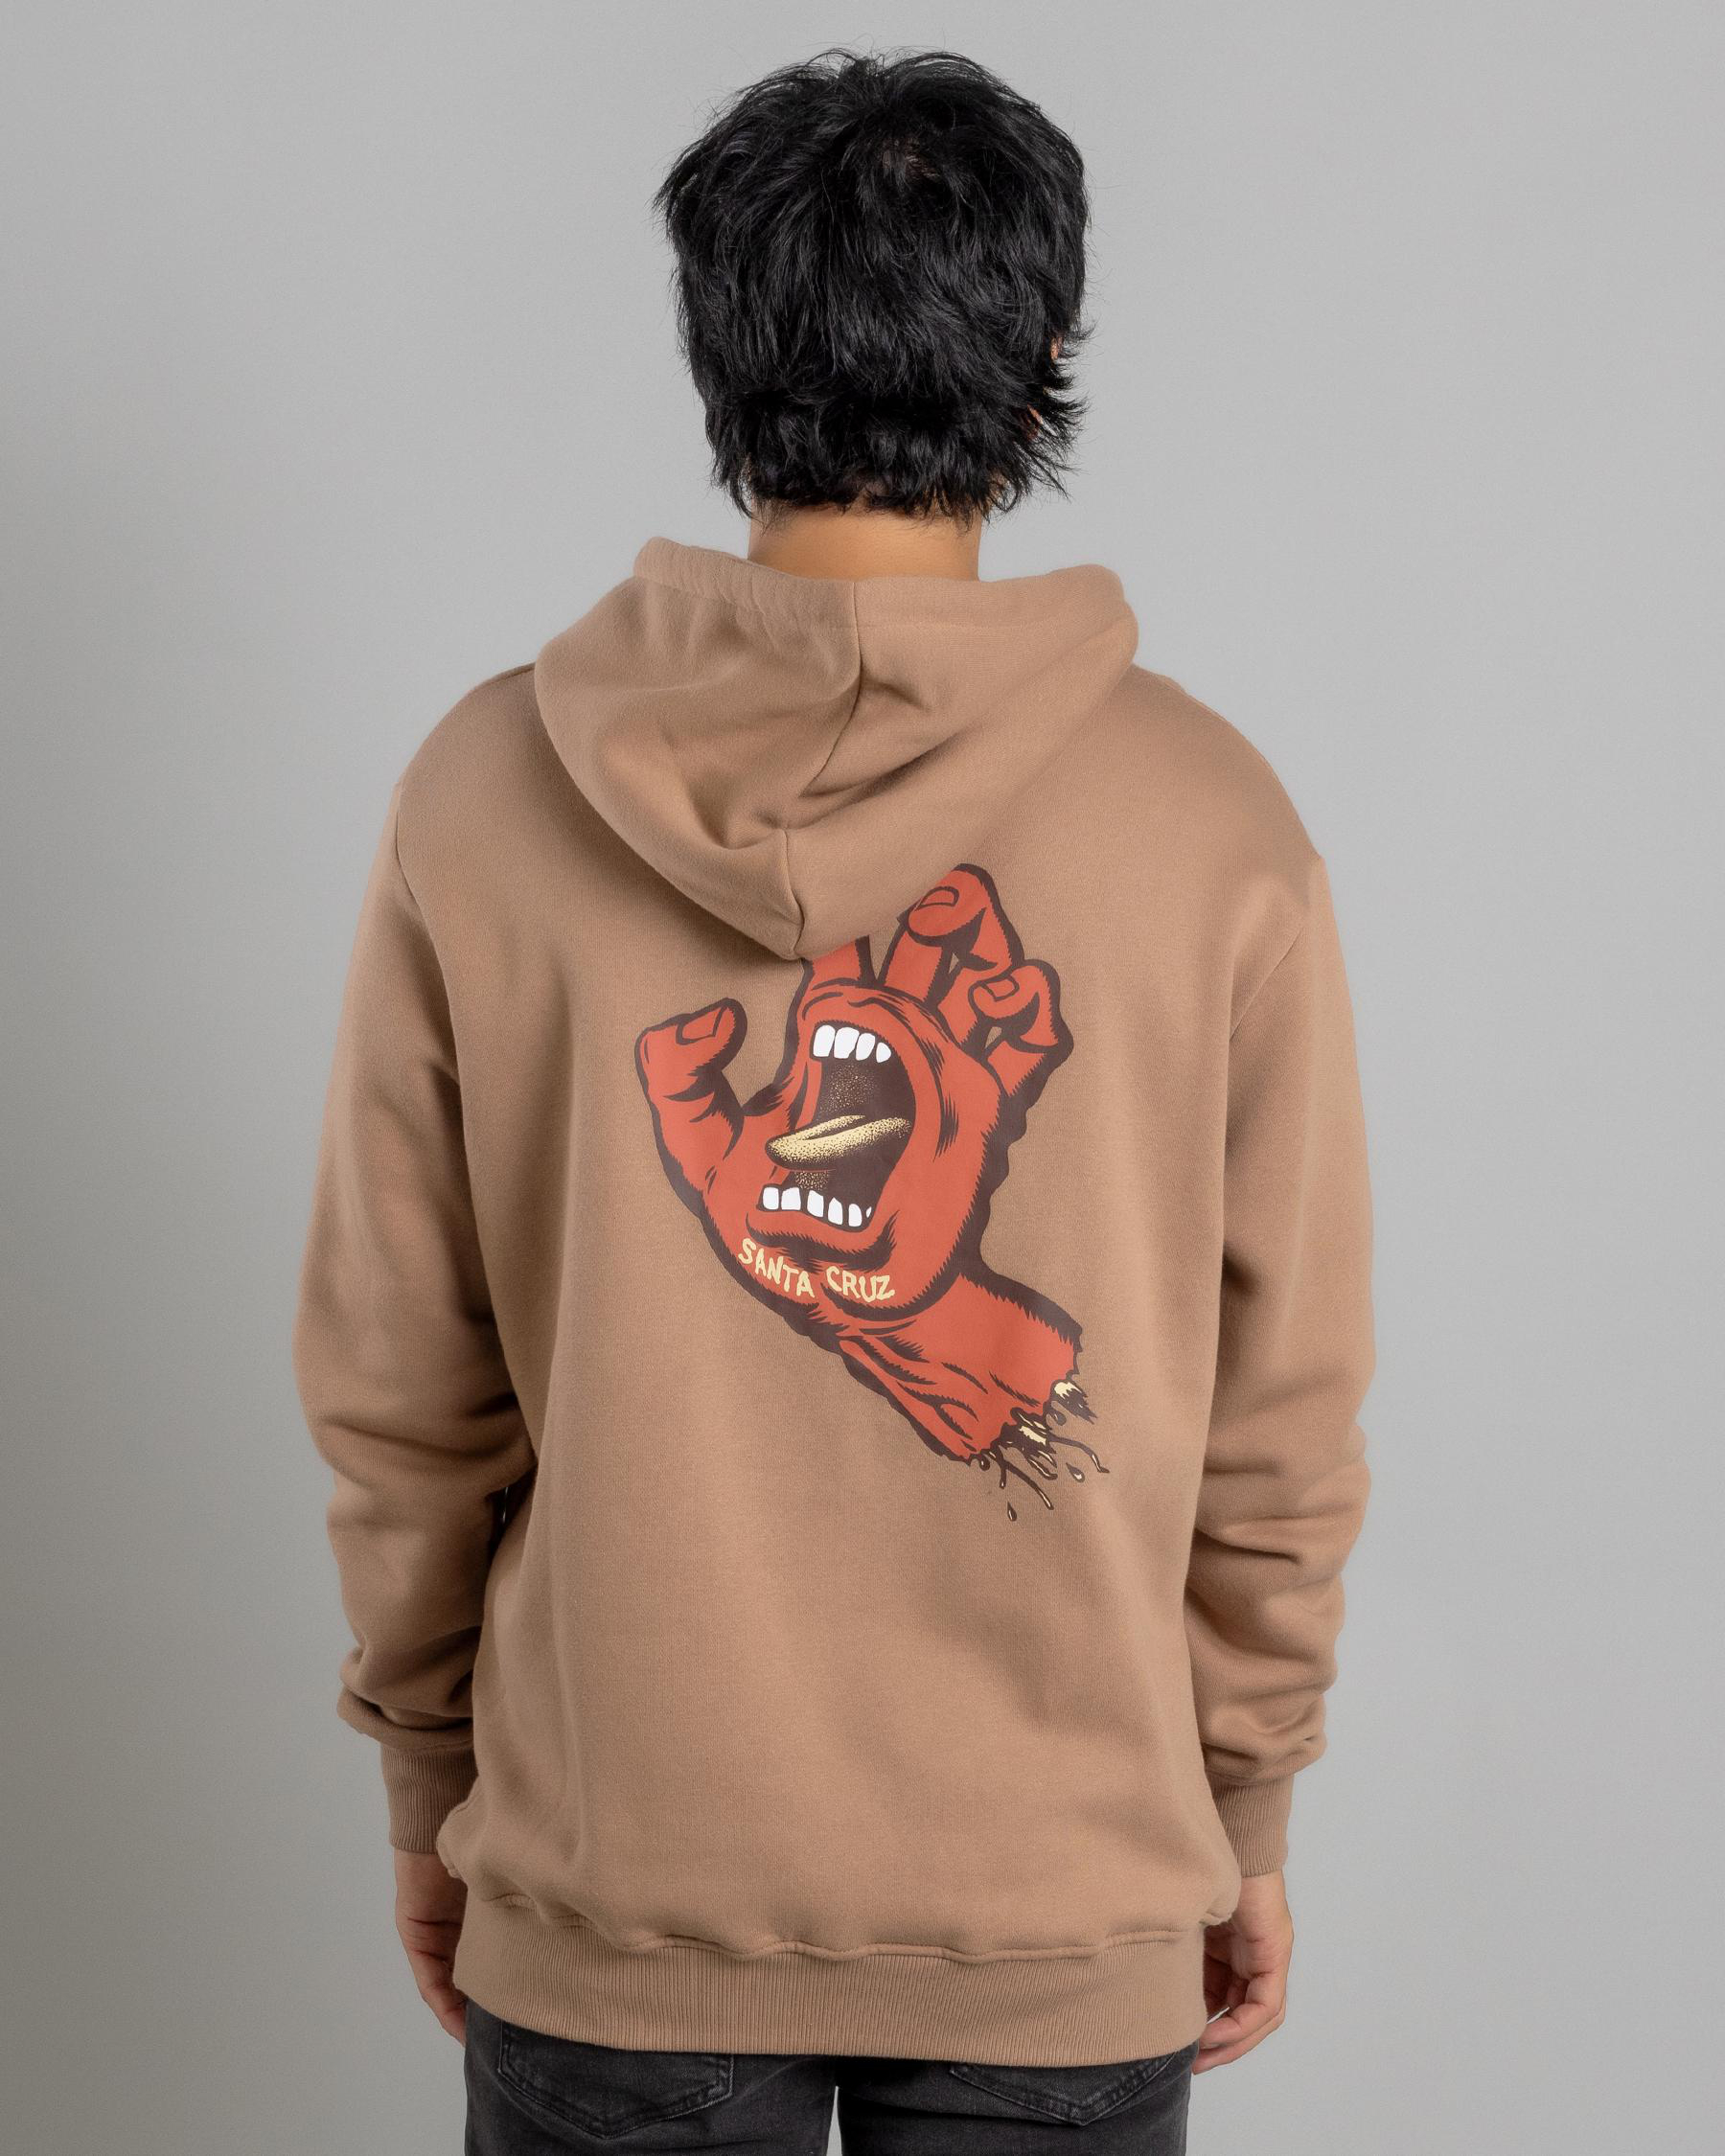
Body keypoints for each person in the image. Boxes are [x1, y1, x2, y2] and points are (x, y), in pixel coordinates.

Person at [294, 46, 1372, 2153]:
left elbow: (400, 1376)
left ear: (722, 348)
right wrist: (1244, 1799)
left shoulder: (486, 791)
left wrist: (433, 1782)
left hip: (615, 1883)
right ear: (1041, 361)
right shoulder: (1213, 823)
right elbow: (1283, 1406)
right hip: (1064, 1896)